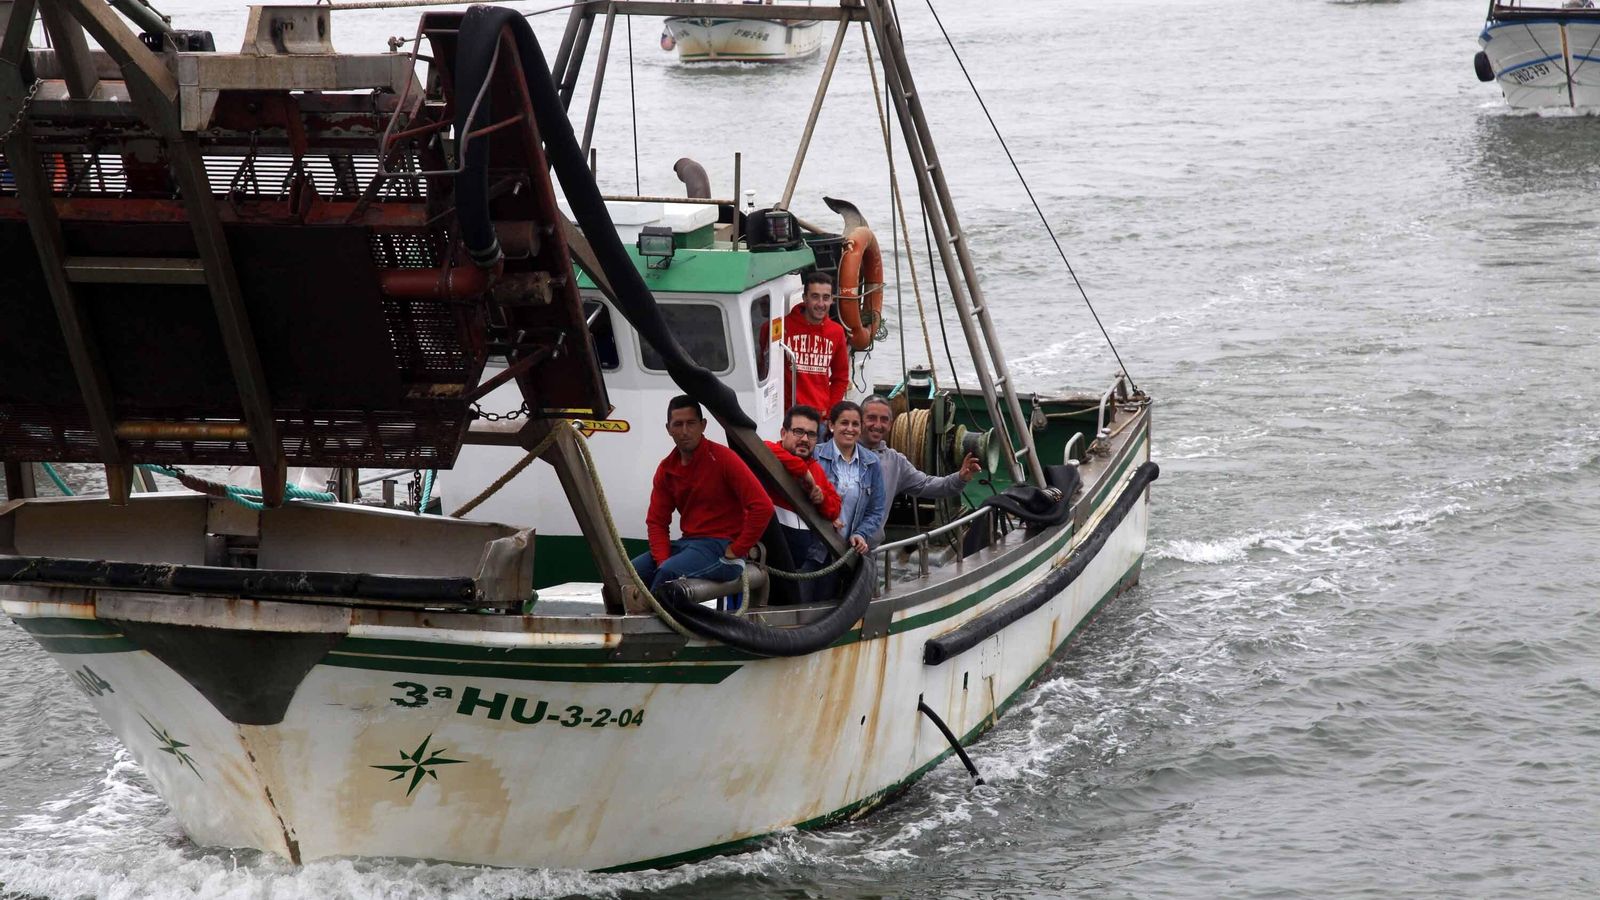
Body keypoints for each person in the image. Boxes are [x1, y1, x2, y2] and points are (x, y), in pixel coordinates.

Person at [632, 396, 774, 599]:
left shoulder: (724, 459)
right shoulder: (666, 469)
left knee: (668, 577)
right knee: (629, 573)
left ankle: (652, 626)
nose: (684, 431)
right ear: (668, 429)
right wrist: (663, 560)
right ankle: (622, 624)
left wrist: (737, 549)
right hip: (688, 544)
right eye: (678, 424)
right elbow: (656, 522)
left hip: (721, 548)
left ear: (703, 425)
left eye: (691, 423)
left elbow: (762, 506)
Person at [859, 394, 982, 546]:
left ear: (891, 424)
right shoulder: (840, 453)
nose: (878, 425)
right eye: (871, 418)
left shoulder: (895, 463)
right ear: (859, 420)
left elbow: (926, 485)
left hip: (867, 550)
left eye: (884, 419)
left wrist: (960, 478)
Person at [763, 404, 842, 579]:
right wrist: (803, 472)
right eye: (798, 431)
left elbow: (835, 508)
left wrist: (821, 498)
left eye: (811, 434)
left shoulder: (816, 470)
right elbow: (765, 446)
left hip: (797, 567)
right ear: (784, 433)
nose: (805, 439)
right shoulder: (768, 455)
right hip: (767, 560)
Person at [811, 401, 887, 580]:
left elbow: (876, 511)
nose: (850, 429)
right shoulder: (815, 456)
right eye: (844, 423)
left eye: (855, 424)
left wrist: (860, 533)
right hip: (815, 551)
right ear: (831, 425)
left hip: (846, 554)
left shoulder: (871, 463)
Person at [780, 271, 850, 414]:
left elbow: (841, 378)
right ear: (804, 298)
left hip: (820, 418)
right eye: (815, 297)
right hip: (788, 415)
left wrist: (830, 411)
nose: (820, 304)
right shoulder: (783, 327)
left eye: (826, 298)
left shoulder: (836, 332)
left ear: (832, 300)